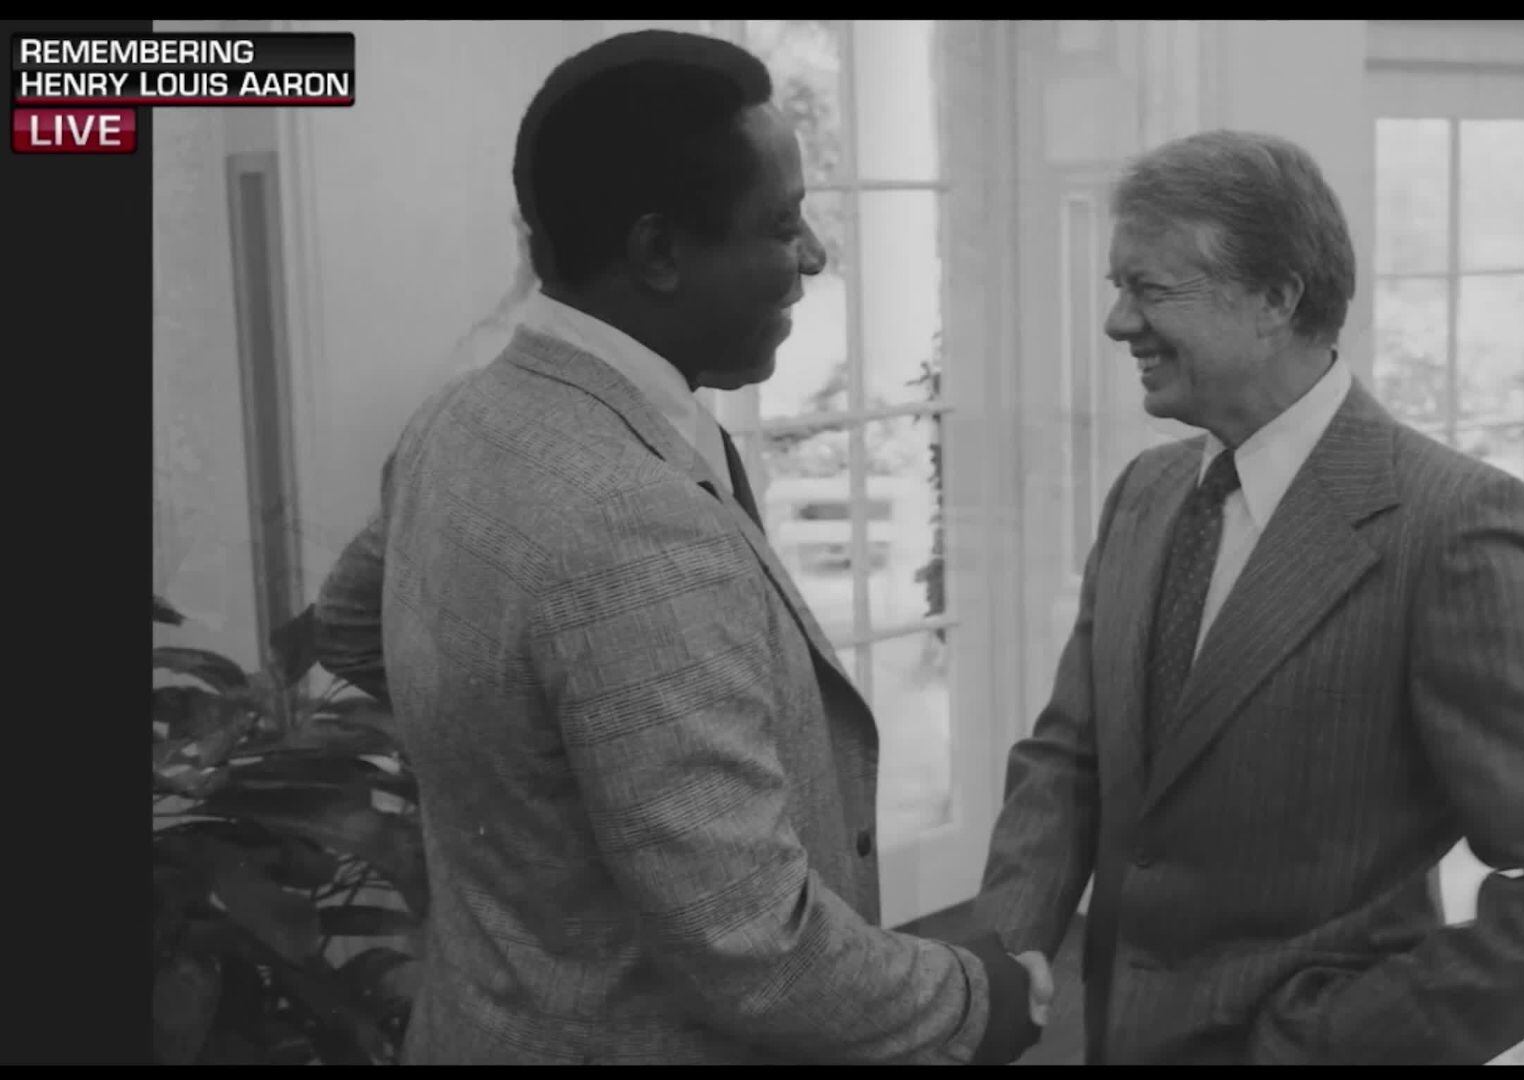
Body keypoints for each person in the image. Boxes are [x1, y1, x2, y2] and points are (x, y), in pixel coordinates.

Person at [311, 30, 1047, 1065]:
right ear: (657, 252)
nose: (816, 257)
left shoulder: (458, 423)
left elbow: (350, 625)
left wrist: (536, 786)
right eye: (784, 225)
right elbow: (761, 951)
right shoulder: (631, 526)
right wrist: (985, 1001)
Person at [971, 129, 1524, 1065]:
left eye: (1150, 289)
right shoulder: (1145, 491)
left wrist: (1335, 1042)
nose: (1118, 323)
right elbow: (1068, 760)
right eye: (1117, 288)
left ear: (1276, 299)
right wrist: (1003, 959)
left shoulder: (1451, 525)